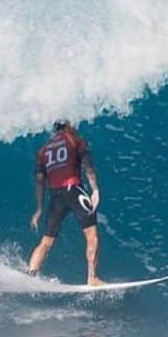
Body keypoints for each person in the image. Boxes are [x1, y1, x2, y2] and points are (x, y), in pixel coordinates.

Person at [27, 120, 104, 285]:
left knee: (46, 241)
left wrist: (39, 208)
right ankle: (92, 278)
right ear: (68, 125)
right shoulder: (76, 140)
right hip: (74, 190)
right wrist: (95, 190)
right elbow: (88, 168)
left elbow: (40, 181)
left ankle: (30, 274)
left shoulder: (43, 150)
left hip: (55, 196)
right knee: (92, 236)